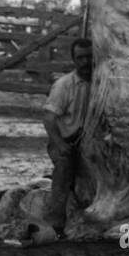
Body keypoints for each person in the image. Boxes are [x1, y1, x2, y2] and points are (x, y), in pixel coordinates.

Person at [42, 37, 94, 231]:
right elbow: (48, 117)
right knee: (64, 166)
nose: (85, 62)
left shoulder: (103, 84)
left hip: (92, 142)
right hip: (67, 140)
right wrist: (60, 144)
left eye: (89, 57)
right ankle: (55, 221)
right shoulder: (64, 85)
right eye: (80, 58)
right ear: (74, 60)